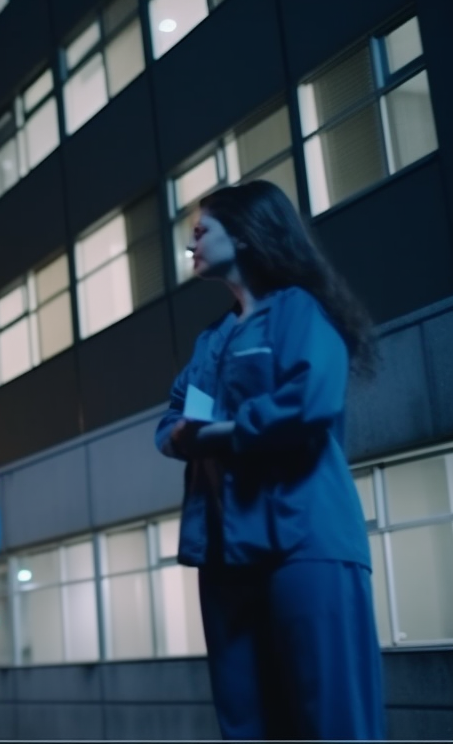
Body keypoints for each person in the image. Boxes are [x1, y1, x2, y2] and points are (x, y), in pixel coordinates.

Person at [154, 180, 384, 740]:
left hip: (304, 543)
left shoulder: (299, 312)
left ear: (248, 233)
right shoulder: (211, 341)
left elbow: (308, 403)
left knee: (331, 718)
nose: (192, 244)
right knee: (247, 723)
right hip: (225, 554)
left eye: (202, 231)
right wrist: (198, 433)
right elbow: (171, 423)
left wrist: (219, 432)